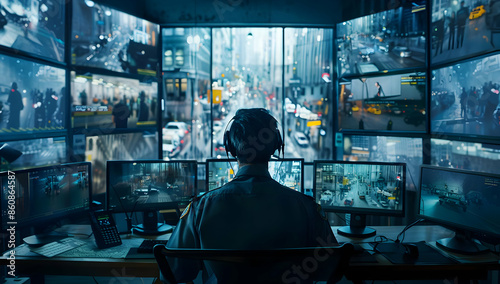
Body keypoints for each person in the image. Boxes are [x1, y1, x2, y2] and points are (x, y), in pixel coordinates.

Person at [167, 108, 337, 283]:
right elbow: (330, 269)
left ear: (231, 148)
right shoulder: (307, 208)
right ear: (276, 147)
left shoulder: (200, 209)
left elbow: (172, 272)